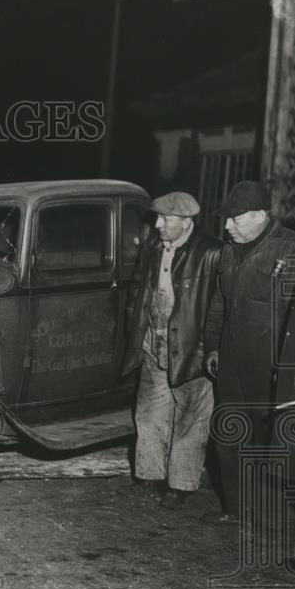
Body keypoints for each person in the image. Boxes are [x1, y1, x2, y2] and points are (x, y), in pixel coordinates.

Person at [203, 180, 295, 526]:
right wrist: (212, 346)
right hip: (231, 360)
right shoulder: (228, 250)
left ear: (260, 215)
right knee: (229, 432)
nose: (227, 226)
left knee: (269, 440)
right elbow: (219, 302)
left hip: (270, 367)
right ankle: (236, 509)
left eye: (235, 219)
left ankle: (268, 516)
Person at [122, 191, 222, 508]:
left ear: (186, 221)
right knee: (150, 415)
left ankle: (181, 484)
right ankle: (150, 476)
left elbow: (217, 306)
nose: (157, 224)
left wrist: (209, 349)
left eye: (165, 219)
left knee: (191, 420)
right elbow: (138, 289)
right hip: (153, 344)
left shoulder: (212, 252)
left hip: (191, 350)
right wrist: (136, 326)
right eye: (157, 217)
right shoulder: (153, 248)